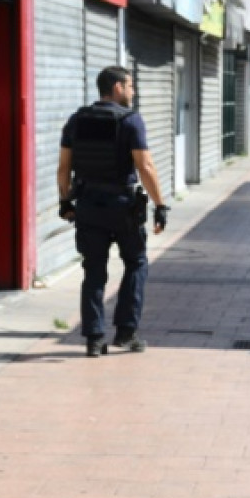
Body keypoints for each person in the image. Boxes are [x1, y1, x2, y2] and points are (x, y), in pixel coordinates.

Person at [57, 66, 169, 357]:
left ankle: (94, 339)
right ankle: (126, 332)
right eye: (130, 86)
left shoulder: (76, 120)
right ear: (117, 88)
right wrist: (160, 205)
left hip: (88, 205)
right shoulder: (131, 121)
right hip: (122, 206)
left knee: (93, 270)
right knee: (136, 263)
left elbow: (63, 168)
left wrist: (65, 202)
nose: (133, 92)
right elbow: (145, 167)